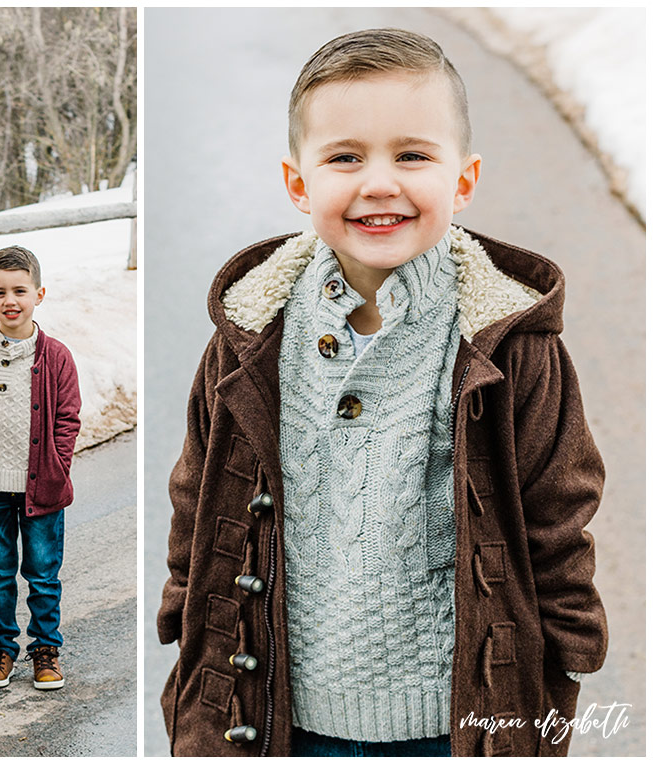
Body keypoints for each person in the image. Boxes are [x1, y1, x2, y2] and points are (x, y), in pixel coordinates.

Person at [157, 28, 607, 757]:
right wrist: (188, 618)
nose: (378, 182)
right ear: (298, 182)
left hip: (454, 722)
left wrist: (562, 664)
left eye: (412, 154)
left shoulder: (509, 346)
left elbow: (557, 511)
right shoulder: (250, 338)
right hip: (278, 712)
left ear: (463, 178)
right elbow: (198, 495)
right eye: (344, 157)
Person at [0, 246, 81, 691]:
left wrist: (58, 465)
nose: (10, 300)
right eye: (0, 292)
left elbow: (69, 416)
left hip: (43, 487)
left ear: (39, 294)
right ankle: (0, 649)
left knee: (43, 573)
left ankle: (46, 649)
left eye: (20, 291)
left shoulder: (56, 356)